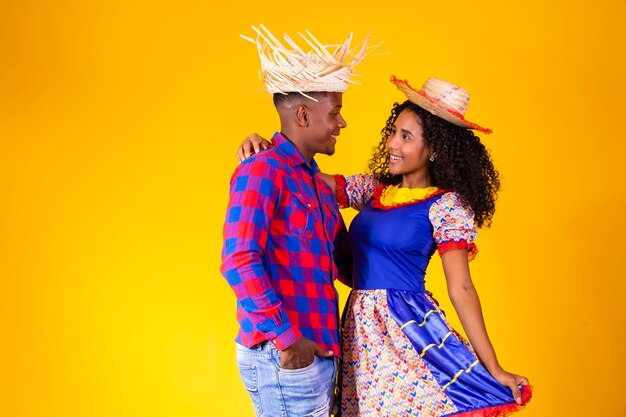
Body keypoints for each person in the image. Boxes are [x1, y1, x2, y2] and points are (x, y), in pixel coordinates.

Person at [238, 75, 532, 416]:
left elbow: (462, 287)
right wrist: (266, 146)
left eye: (406, 136)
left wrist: (493, 367)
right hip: (357, 332)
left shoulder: (445, 206)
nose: (392, 143)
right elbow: (299, 170)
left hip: (404, 329)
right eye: (394, 131)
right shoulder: (373, 191)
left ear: (435, 148)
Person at [220, 25, 370, 417]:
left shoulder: (317, 186)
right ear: (303, 114)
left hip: (319, 357)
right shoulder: (262, 170)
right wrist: (287, 341)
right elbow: (238, 260)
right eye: (335, 112)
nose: (342, 123)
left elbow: (344, 267)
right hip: (286, 358)